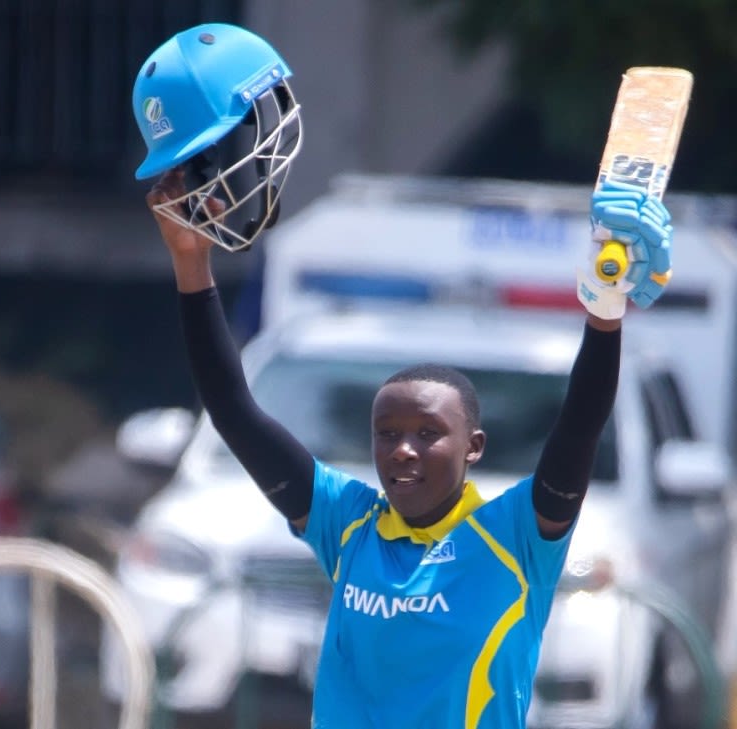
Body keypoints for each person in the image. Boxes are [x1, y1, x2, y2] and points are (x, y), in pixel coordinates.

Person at [132, 23, 674, 728]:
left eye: (427, 433)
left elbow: (579, 426)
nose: (403, 450)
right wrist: (191, 263)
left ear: (474, 447)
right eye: (387, 433)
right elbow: (234, 411)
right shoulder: (349, 525)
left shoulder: (516, 536)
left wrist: (604, 313)